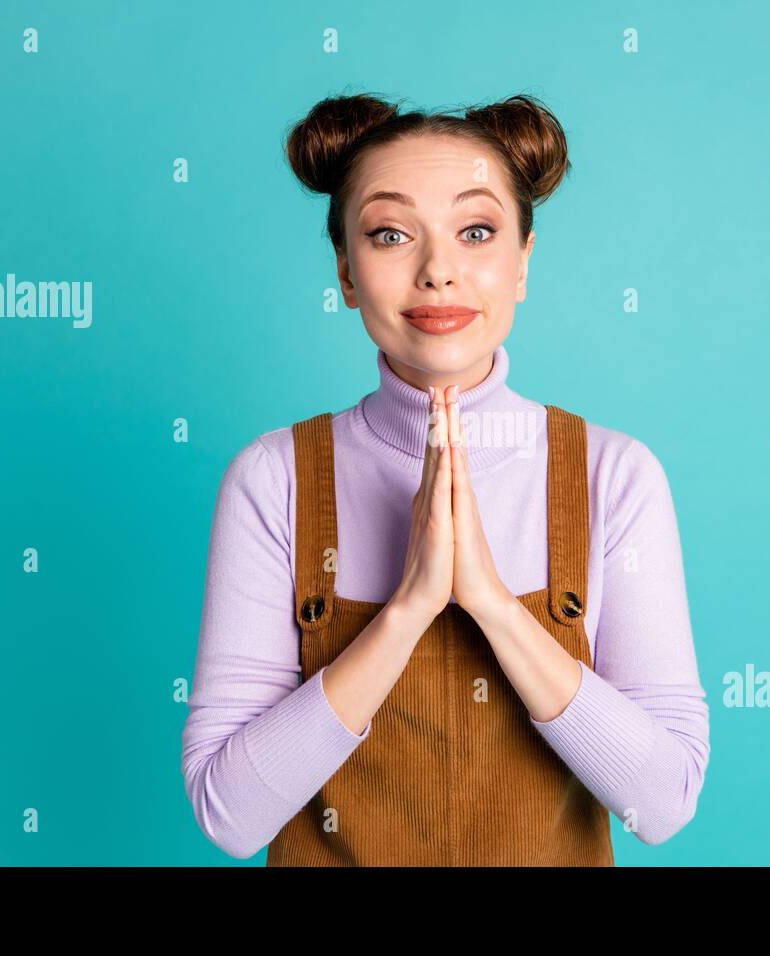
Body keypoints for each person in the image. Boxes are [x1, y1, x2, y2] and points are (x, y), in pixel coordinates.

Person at [181, 92, 710, 865]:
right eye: (391, 234)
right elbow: (230, 817)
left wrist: (494, 607)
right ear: (346, 272)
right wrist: (409, 608)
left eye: (476, 232)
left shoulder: (614, 476)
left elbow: (663, 804)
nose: (438, 271)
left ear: (523, 261)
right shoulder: (275, 480)